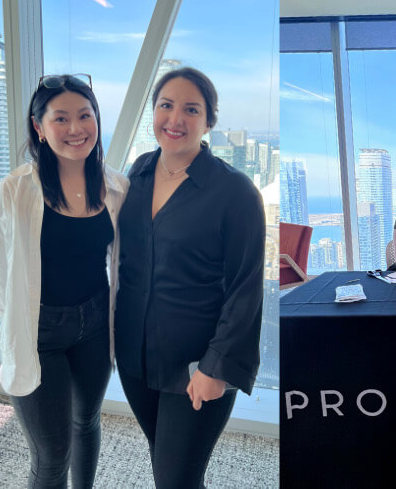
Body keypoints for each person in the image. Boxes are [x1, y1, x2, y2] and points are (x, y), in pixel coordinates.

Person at [114, 67, 265, 488]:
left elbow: (246, 291)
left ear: (209, 122)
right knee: (167, 465)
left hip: (198, 363)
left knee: (175, 480)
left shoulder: (235, 192)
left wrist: (216, 368)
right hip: (136, 357)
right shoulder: (138, 174)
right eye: (166, 105)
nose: (175, 119)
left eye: (190, 109)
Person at [0, 73, 128, 489]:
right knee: (51, 455)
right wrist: (13, 321)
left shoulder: (116, 186)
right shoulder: (13, 192)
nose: (75, 129)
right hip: (38, 330)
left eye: (85, 116)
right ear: (38, 127)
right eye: (60, 118)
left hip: (96, 322)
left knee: (86, 421)